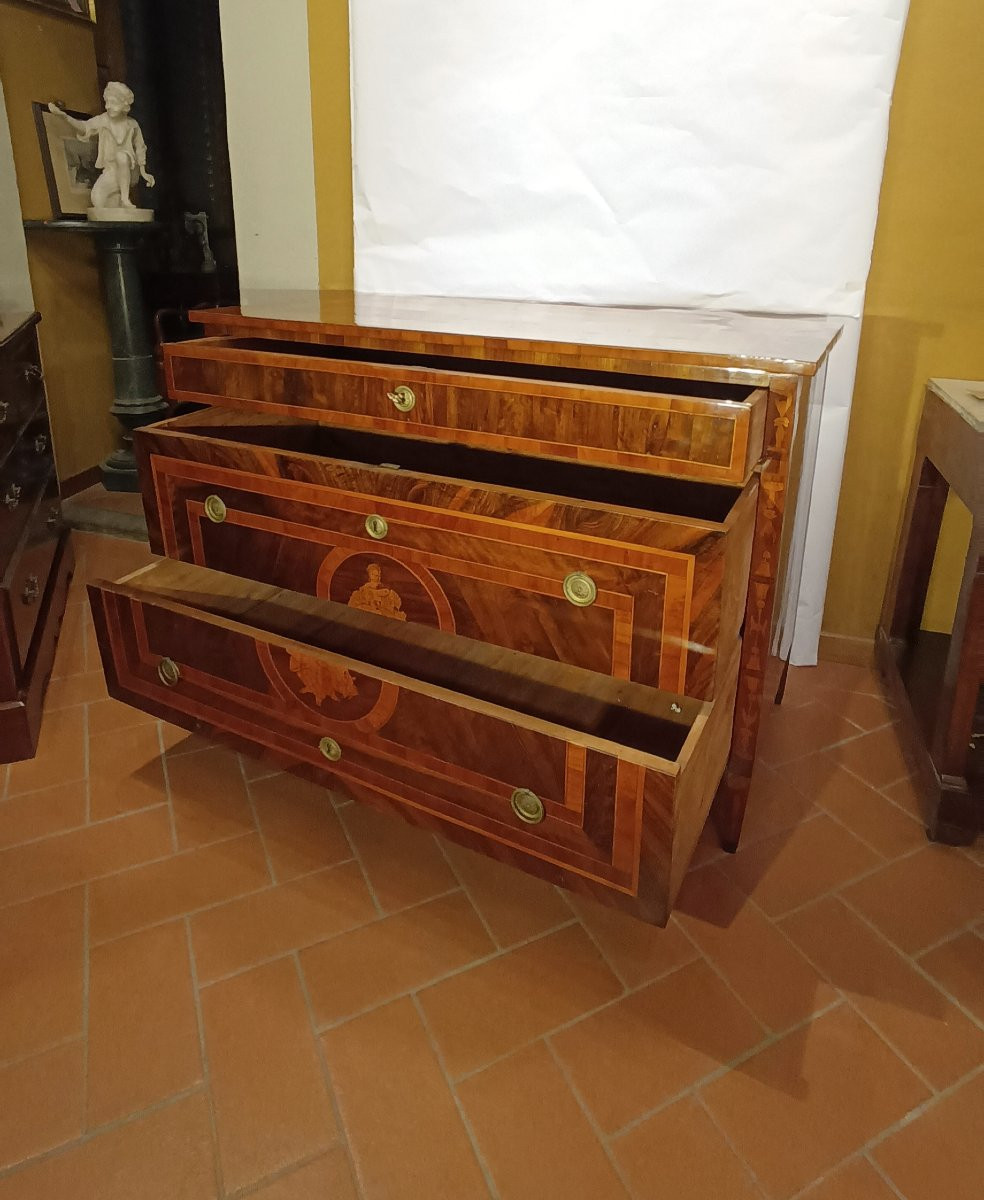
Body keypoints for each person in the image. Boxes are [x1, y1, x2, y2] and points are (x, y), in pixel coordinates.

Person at [49, 82, 155, 210]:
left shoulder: (132, 124)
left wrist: (143, 171)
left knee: (122, 156)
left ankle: (125, 199)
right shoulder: (103, 120)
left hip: (130, 170)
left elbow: (140, 147)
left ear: (124, 104)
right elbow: (84, 127)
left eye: (113, 103)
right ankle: (118, 201)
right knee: (97, 199)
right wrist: (65, 117)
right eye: (107, 103)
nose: (108, 106)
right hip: (111, 170)